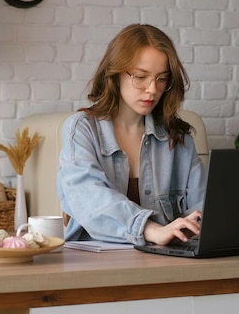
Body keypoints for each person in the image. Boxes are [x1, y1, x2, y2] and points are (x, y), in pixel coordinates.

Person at [57, 24, 206, 246]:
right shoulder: (81, 129)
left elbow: (202, 206)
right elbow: (89, 198)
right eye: (140, 77)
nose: (152, 89)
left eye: (162, 79)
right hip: (94, 264)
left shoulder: (179, 138)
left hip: (167, 263)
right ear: (115, 74)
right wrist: (151, 229)